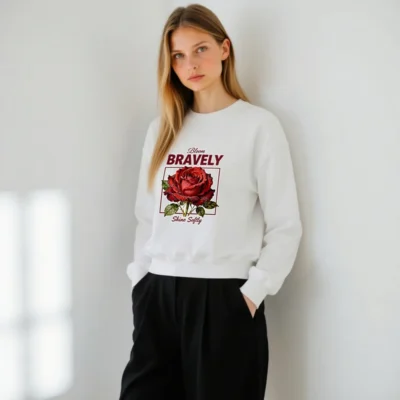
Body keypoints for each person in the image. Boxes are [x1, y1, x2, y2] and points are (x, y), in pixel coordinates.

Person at [119, 4, 302, 400]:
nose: (190, 64)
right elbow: (146, 217)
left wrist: (252, 293)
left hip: (224, 299)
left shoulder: (258, 126)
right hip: (158, 295)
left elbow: (285, 225)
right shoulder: (162, 129)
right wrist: (141, 282)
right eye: (178, 56)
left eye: (200, 49)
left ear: (224, 48)